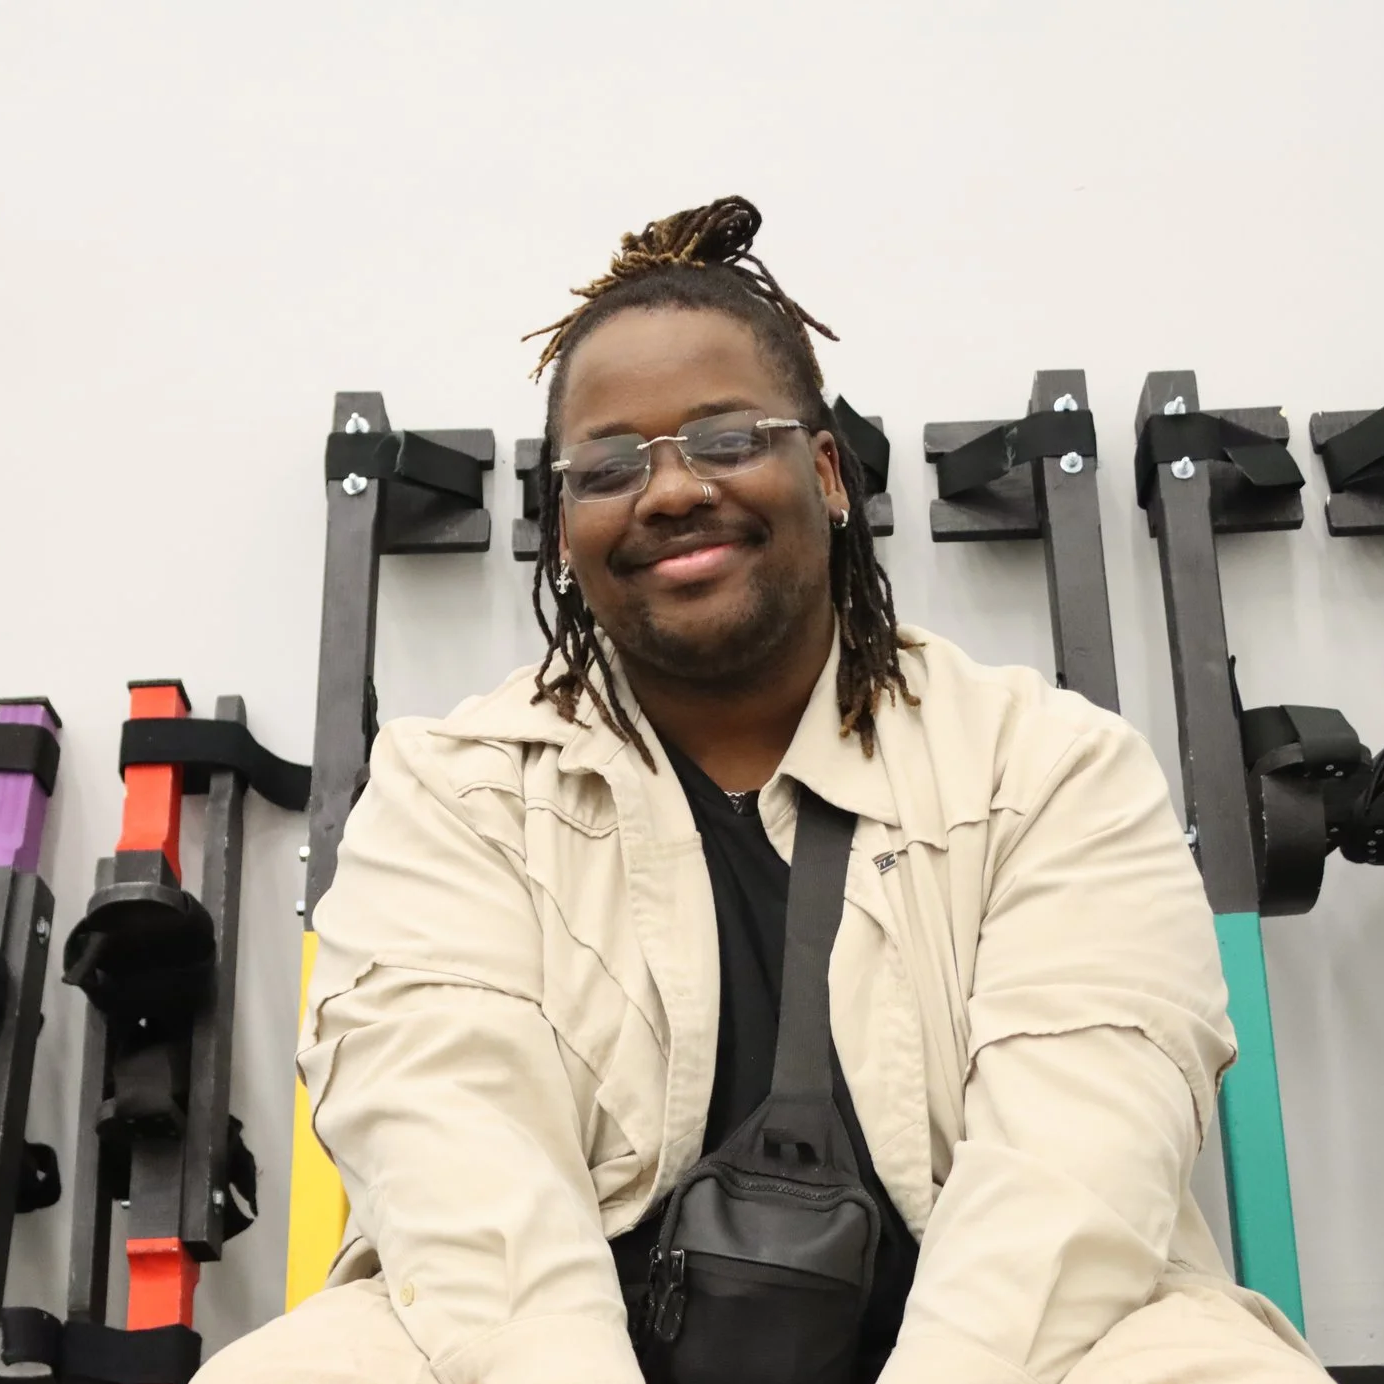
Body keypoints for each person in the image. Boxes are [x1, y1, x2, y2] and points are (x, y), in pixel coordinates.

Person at [197, 196, 1327, 1384]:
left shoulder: (1047, 766)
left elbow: (1079, 1165)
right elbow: (457, 1154)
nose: (671, 489)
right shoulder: (452, 789)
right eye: (609, 466)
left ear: (826, 472)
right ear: (566, 532)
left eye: (728, 436)